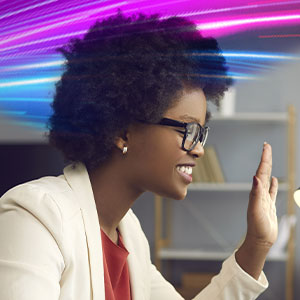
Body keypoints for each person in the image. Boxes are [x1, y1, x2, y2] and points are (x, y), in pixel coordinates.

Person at [0, 12, 278, 300]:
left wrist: (256, 244)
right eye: (188, 129)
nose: (199, 149)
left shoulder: (129, 234)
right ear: (123, 131)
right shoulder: (36, 217)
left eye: (201, 133)